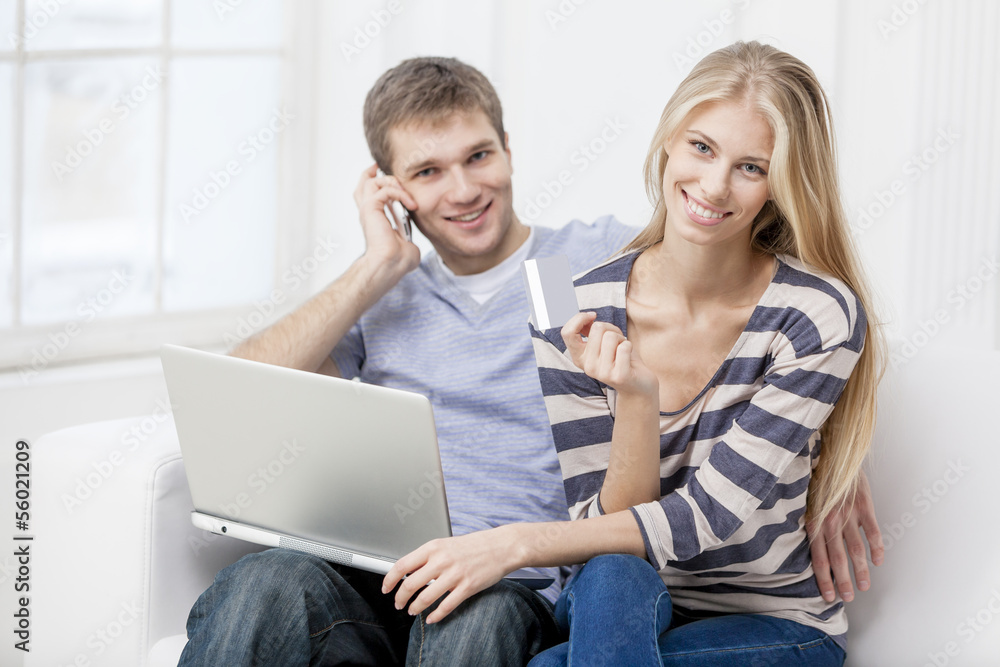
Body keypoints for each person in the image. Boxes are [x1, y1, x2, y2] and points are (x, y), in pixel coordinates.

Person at [180, 54, 881, 666]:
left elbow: (766, 307)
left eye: (478, 156)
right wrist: (376, 265)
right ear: (390, 188)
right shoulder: (381, 297)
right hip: (382, 572)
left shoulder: (595, 263)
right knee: (260, 583)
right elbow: (237, 395)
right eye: (427, 171)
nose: (462, 190)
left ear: (508, 148)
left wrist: (831, 456)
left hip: (513, 582)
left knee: (478, 616)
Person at [381, 42, 885, 666]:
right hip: (619, 600)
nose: (714, 185)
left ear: (783, 182)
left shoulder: (813, 313)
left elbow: (708, 517)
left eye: (752, 167)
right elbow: (607, 529)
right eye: (701, 148)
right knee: (615, 574)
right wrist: (637, 399)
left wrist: (513, 545)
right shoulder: (564, 297)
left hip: (766, 622)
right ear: (669, 140)